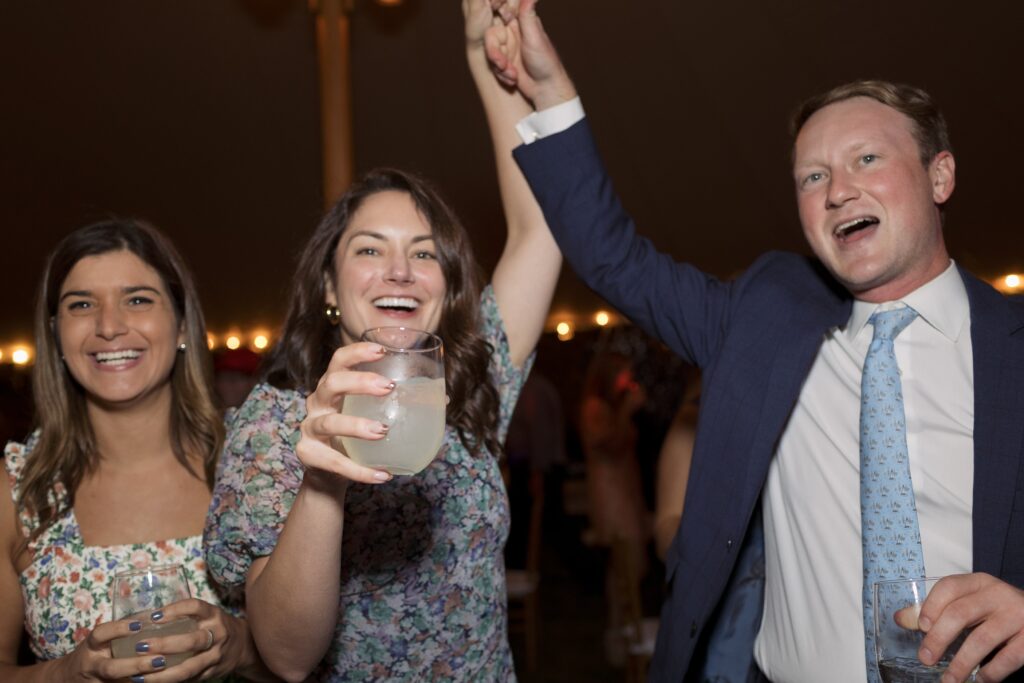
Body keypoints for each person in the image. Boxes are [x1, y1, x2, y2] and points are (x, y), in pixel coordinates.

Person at [483, 2, 1024, 682]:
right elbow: (614, 257)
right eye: (812, 177)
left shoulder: (1014, 348)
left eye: (866, 158)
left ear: (939, 175)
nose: (837, 190)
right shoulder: (764, 319)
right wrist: (550, 88)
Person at [201, 2, 561, 680]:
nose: (400, 270)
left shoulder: (474, 382)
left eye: (425, 254)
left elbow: (540, 229)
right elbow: (284, 654)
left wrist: (487, 56)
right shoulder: (274, 427)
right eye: (371, 249)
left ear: (445, 287)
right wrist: (322, 482)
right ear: (331, 286)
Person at [0, 219, 271, 681]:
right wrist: (65, 674)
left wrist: (242, 647)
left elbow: (324, 656)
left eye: (138, 299)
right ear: (56, 335)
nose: (109, 326)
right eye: (81, 304)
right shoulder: (18, 489)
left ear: (182, 323)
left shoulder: (253, 462)